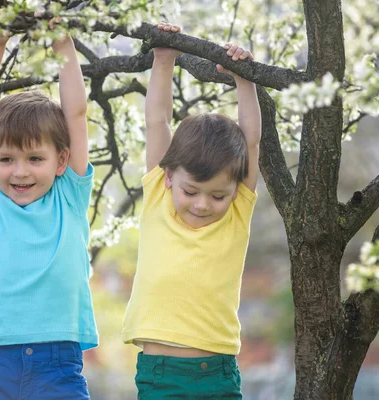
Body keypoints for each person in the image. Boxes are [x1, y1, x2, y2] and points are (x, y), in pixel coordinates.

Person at [122, 23, 262, 399]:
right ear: (168, 177)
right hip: (160, 374)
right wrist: (164, 58)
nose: (202, 204)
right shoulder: (157, 198)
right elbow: (158, 121)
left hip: (216, 374)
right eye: (191, 191)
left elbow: (251, 140)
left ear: (234, 190)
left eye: (217, 195)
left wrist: (244, 80)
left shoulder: (236, 214)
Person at [0, 30, 96, 399]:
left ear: (61, 160)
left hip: (58, 365)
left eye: (35, 159)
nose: (20, 172)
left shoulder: (69, 192)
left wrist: (65, 47)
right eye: (6, 160)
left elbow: (77, 116)